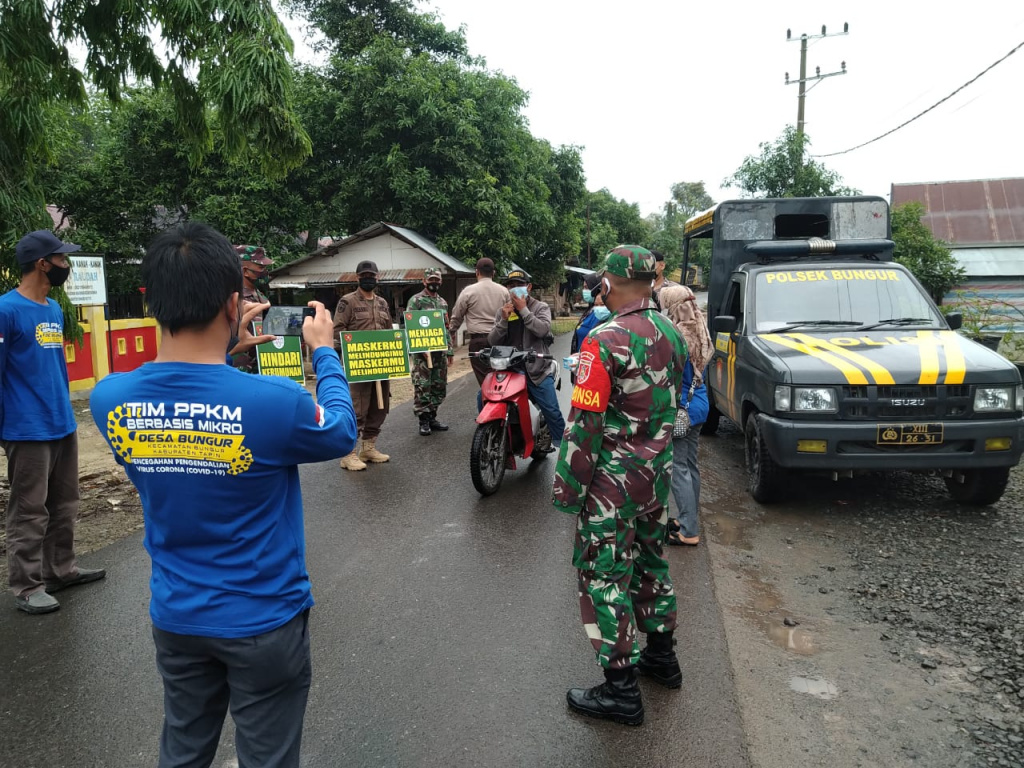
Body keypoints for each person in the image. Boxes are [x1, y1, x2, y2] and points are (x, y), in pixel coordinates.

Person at [90, 221, 357, 768]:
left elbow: (189, 407)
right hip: (264, 620)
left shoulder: (109, 398)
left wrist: (223, 353)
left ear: (151, 301)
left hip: (177, 616)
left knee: (183, 748)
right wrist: (324, 353)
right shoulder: (275, 401)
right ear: (234, 303)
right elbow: (339, 430)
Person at [552, 245, 687, 726]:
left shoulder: (604, 340)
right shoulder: (672, 331)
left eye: (601, 279)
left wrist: (568, 489)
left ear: (609, 282)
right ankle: (662, 658)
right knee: (651, 561)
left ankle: (621, 691)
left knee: (604, 575)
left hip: (611, 486)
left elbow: (584, 425)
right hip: (654, 479)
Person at [1, 230, 106, 615]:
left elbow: (56, 369)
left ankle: (61, 570)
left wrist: (65, 411)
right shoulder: (6, 310)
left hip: (61, 421)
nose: (67, 265)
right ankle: (27, 587)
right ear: (43, 263)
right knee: (29, 509)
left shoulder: (52, 309)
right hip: (25, 428)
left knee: (65, 503)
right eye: (62, 259)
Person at [660, 285, 714, 547]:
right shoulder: (699, 327)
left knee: (678, 468)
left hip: (683, 408)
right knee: (690, 466)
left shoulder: (676, 334)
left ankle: (689, 531)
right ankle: (687, 518)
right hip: (700, 403)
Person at [487, 268, 565, 450]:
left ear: (528, 287)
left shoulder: (541, 307)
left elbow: (542, 330)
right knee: (482, 398)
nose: (515, 289)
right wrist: (503, 321)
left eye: (519, 285)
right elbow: (492, 341)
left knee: (552, 410)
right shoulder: (503, 311)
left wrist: (523, 310)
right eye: (511, 286)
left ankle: (564, 451)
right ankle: (497, 439)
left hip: (537, 369)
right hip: (511, 369)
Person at [333, 260, 394, 470]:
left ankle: (368, 448)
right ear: (357, 277)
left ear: (378, 277)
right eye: (364, 275)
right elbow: (337, 330)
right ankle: (348, 453)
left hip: (381, 364)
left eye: (372, 275)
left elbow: (389, 332)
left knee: (380, 405)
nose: (368, 279)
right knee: (356, 408)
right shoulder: (347, 302)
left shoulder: (383, 303)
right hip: (358, 365)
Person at [405, 267, 454, 436]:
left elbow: (446, 328)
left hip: (439, 353)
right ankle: (423, 420)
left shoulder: (442, 303)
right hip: (422, 355)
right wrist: (420, 348)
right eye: (431, 280)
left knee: (438, 386)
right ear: (424, 281)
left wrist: (449, 351)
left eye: (437, 280)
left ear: (440, 281)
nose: (434, 282)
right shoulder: (416, 301)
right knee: (423, 386)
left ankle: (433, 417)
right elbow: (411, 327)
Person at [448, 257, 510, 386]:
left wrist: (452, 332)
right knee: (501, 380)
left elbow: (457, 316)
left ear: (477, 272)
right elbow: (510, 315)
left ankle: (489, 404)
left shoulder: (468, 292)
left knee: (486, 383)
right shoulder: (504, 292)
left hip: (478, 343)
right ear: (493, 273)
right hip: (501, 341)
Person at [231, 244, 274, 373]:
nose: (265, 272)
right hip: (240, 368)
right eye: (261, 267)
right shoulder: (233, 298)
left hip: (264, 366)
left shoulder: (261, 296)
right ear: (245, 271)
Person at [569, 273, 611, 385]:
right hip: (580, 367)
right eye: (583, 287)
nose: (584, 290)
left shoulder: (604, 317)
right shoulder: (589, 311)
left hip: (593, 370)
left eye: (587, 287)